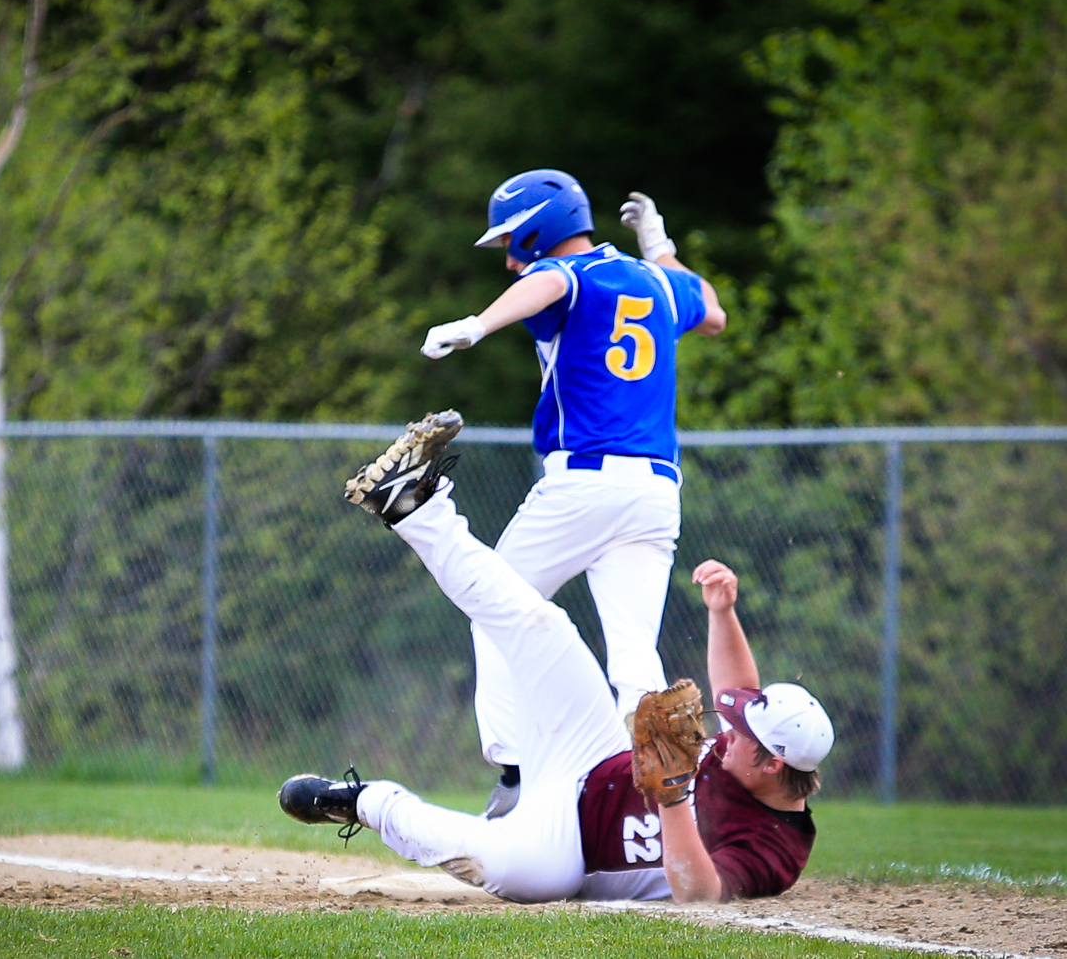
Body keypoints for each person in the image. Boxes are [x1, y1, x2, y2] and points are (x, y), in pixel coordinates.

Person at [278, 411, 834, 904]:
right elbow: (740, 691)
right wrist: (722, 612)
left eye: (741, 735)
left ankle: (362, 802)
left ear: (772, 766)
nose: (726, 728)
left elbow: (699, 893)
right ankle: (413, 507)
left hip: (567, 844)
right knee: (541, 622)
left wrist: (671, 796)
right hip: (592, 751)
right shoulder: (755, 750)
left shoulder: (776, 848)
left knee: (524, 874)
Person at [418, 171, 727, 814]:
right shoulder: (659, 284)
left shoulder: (569, 274)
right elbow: (714, 311)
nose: (508, 255)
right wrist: (659, 245)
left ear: (540, 228)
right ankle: (653, 804)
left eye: (511, 238)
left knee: (492, 600)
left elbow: (552, 281)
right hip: (655, 494)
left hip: (586, 481)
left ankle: (516, 776)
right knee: (635, 651)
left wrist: (478, 324)